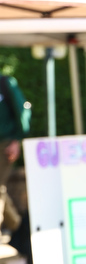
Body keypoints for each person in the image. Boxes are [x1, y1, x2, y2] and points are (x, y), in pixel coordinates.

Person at [0, 73, 29, 241]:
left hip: (5, 144)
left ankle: (15, 227)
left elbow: (22, 111)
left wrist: (17, 139)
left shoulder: (5, 82)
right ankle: (17, 225)